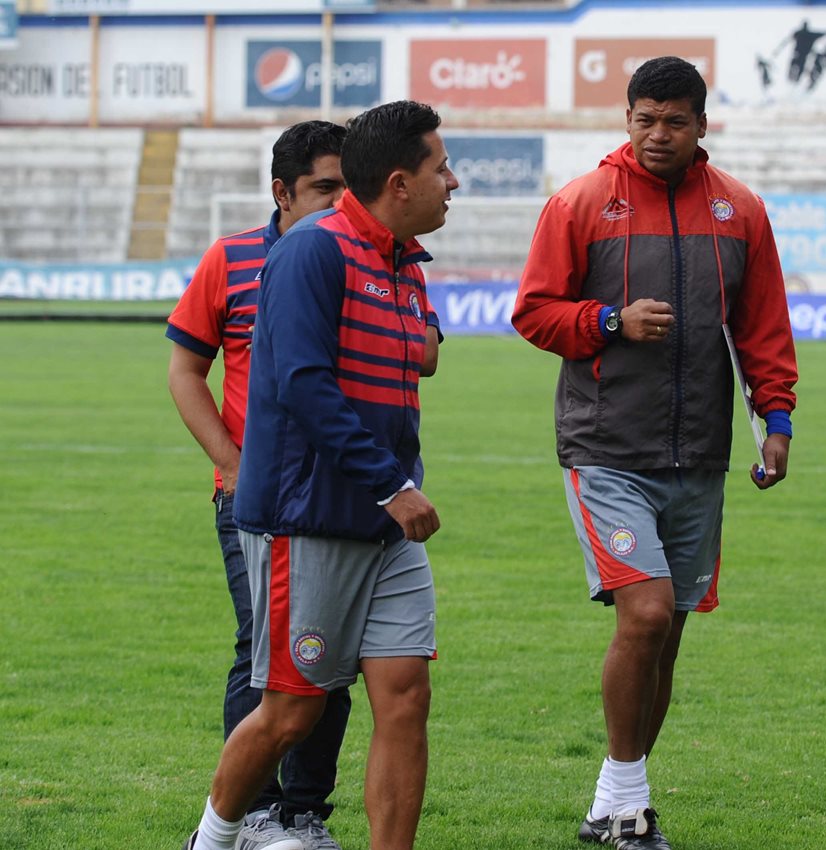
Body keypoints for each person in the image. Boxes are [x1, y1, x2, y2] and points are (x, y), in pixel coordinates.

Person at [511, 57, 798, 850]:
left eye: (675, 120)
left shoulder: (739, 211)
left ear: (702, 124)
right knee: (642, 612)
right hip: (605, 448)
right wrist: (609, 321)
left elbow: (763, 327)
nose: (658, 134)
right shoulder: (580, 202)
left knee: (665, 630)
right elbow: (533, 313)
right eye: (645, 119)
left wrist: (776, 420)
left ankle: (614, 801)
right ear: (627, 119)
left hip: (700, 454)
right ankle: (628, 802)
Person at [180, 99, 458, 850]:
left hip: (384, 526)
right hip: (308, 519)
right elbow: (302, 383)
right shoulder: (312, 252)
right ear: (399, 183)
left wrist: (393, 486)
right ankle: (212, 837)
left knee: (405, 699)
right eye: (441, 168)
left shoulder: (404, 264)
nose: (453, 182)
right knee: (291, 713)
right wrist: (392, 483)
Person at [168, 120, 356, 850]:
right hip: (257, 496)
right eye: (325, 188)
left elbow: (428, 350)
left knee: (330, 654)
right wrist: (232, 461)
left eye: (349, 186)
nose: (341, 201)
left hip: (347, 492)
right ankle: (251, 812)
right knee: (264, 648)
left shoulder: (376, 256)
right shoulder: (233, 257)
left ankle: (303, 813)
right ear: (282, 191)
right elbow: (186, 369)